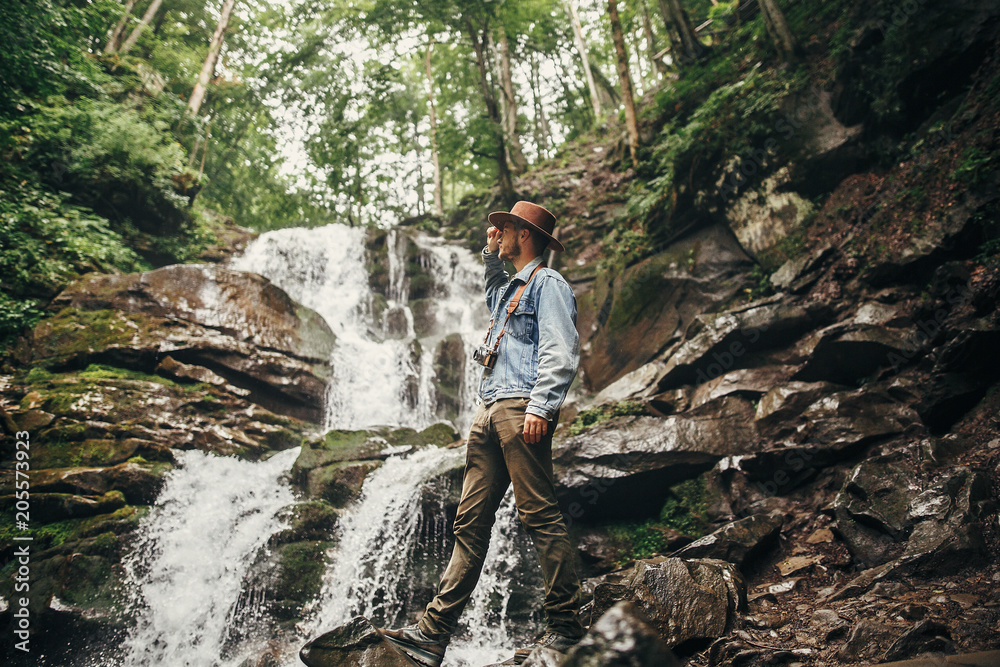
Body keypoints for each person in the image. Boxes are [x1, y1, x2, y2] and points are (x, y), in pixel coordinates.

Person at [380, 201, 585, 666]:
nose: (498, 232)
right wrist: (492, 255)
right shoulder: (511, 287)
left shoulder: (548, 283)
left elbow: (560, 347)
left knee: (540, 517)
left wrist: (542, 405)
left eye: (506, 228)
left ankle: (567, 630)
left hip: (520, 407)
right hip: (489, 410)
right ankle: (432, 635)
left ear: (526, 235)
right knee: (469, 524)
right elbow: (495, 291)